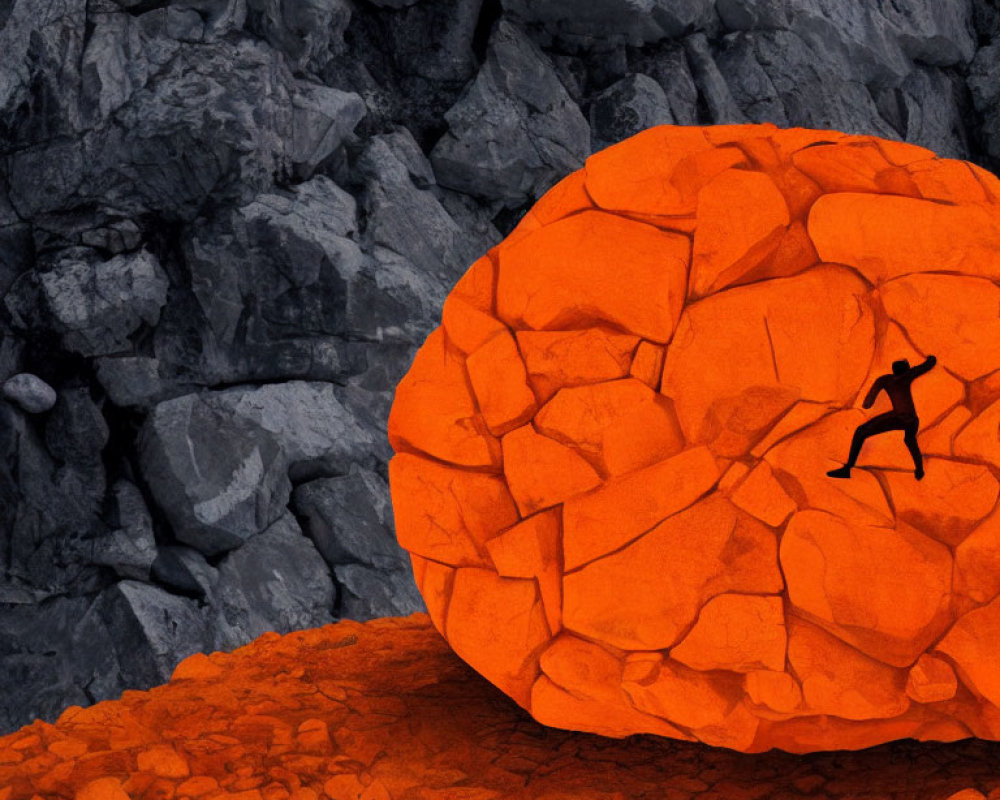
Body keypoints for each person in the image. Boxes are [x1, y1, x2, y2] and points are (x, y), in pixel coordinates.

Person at [826, 355, 937, 480]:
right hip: (908, 419)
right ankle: (920, 469)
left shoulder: (886, 379)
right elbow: (928, 365)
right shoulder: (902, 376)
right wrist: (930, 358)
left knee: (862, 432)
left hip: (903, 418)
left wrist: (868, 401)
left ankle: (847, 469)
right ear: (906, 370)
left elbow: (867, 403)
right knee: (909, 439)